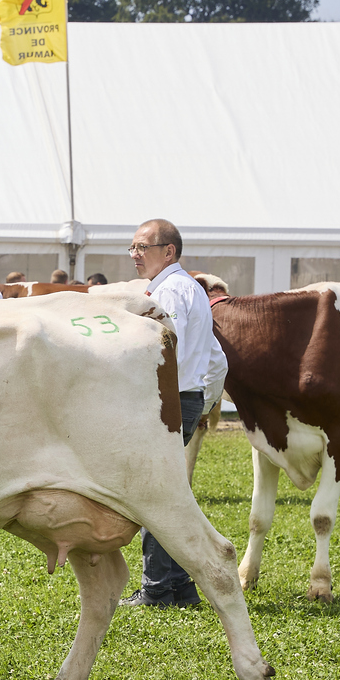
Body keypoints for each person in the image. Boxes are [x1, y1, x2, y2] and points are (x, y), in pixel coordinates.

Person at [121, 218, 228, 609]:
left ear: (168, 251)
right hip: (183, 397)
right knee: (168, 491)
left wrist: (182, 399)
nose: (135, 255)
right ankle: (180, 587)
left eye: (142, 247)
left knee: (154, 492)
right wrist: (204, 400)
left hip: (167, 398)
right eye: (132, 247)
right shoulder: (184, 288)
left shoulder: (173, 291)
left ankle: (157, 589)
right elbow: (217, 359)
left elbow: (167, 351)